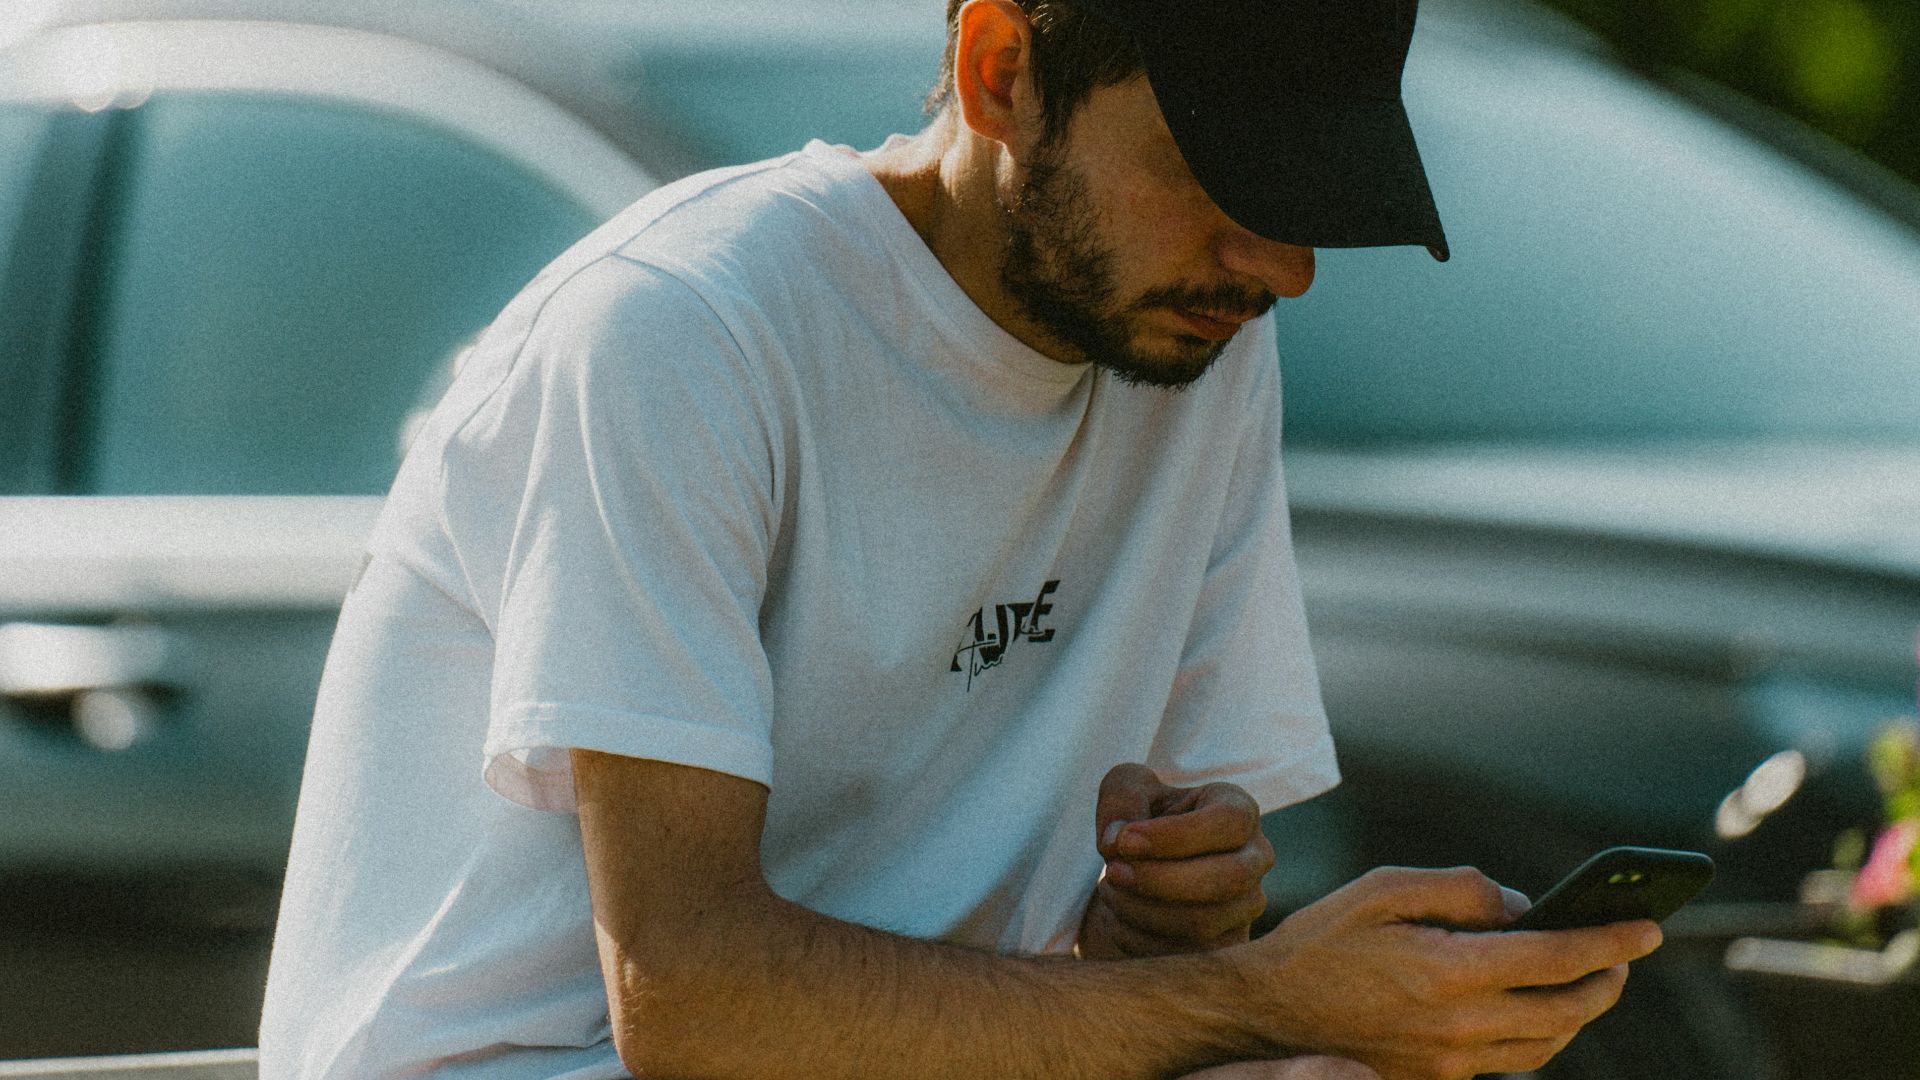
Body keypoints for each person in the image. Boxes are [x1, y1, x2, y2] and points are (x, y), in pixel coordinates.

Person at [259, 1, 1661, 1077]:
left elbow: (1099, 978)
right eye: (1218, 176)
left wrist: (1169, 918)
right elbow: (689, 1003)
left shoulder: (1198, 350)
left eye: (1311, 203)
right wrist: (1255, 991)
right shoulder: (683, 329)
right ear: (1001, 69)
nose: (1280, 266)